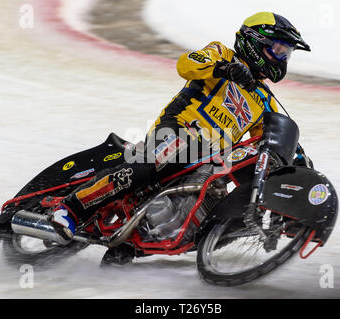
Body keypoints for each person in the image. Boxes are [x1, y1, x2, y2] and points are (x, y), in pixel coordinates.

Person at [50, 12, 311, 264]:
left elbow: (264, 142)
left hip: (212, 159)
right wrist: (225, 69)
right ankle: (72, 208)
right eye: (278, 50)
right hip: (179, 130)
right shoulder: (222, 53)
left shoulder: (264, 100)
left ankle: (139, 241)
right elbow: (186, 64)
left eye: (286, 53)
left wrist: (293, 157)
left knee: (213, 201)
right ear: (255, 42)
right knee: (162, 158)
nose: (282, 58)